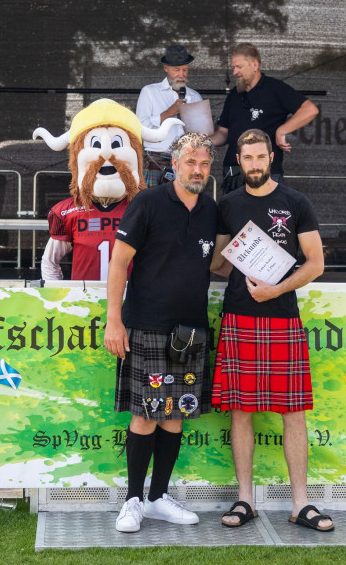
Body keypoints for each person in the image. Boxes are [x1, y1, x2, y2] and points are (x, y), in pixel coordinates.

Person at [209, 129, 333, 532]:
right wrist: (244, 267)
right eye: (248, 158)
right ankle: (245, 500)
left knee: (293, 412)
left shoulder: (295, 202)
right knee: (241, 411)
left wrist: (275, 288)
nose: (255, 164)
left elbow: (315, 263)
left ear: (271, 158)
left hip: (282, 316)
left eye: (261, 157)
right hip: (239, 316)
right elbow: (218, 263)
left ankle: (301, 504)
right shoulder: (227, 204)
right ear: (239, 161)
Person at [104, 132, 217, 533]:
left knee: (176, 415)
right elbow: (119, 263)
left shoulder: (211, 210)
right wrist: (114, 319)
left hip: (191, 331)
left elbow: (219, 260)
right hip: (147, 325)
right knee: (145, 416)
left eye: (204, 164)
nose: (198, 170)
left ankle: (158, 498)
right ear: (175, 164)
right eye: (191, 163)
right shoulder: (148, 203)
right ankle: (133, 500)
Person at [34, 98, 180, 280]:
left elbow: (163, 259)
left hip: (130, 297)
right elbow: (50, 262)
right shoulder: (68, 211)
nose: (105, 153)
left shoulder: (145, 210)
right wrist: (60, 294)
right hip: (84, 298)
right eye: (95, 144)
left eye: (117, 144)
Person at [210, 43, 319, 194]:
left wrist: (282, 130)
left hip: (265, 173)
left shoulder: (275, 89)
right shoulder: (234, 94)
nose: (234, 72)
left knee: (268, 210)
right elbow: (223, 133)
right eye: (233, 67)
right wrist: (201, 141)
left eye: (239, 67)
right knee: (231, 210)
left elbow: (310, 109)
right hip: (234, 172)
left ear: (255, 65)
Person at [136, 45, 203, 188]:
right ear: (166, 68)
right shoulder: (149, 92)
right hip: (156, 158)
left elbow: (202, 135)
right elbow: (139, 128)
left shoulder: (194, 96)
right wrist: (168, 113)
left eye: (185, 70)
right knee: (152, 201)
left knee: (184, 201)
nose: (181, 75)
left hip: (186, 158)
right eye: (176, 70)